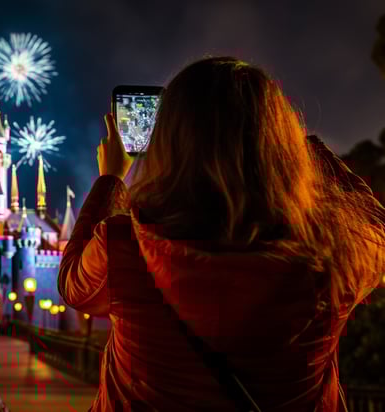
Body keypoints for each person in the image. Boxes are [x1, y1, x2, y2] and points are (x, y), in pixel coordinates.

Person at [58, 56, 385, 412]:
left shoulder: (124, 246)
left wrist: (110, 180)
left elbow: (73, 285)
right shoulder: (333, 253)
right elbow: (376, 226)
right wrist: (297, 148)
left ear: (166, 143)